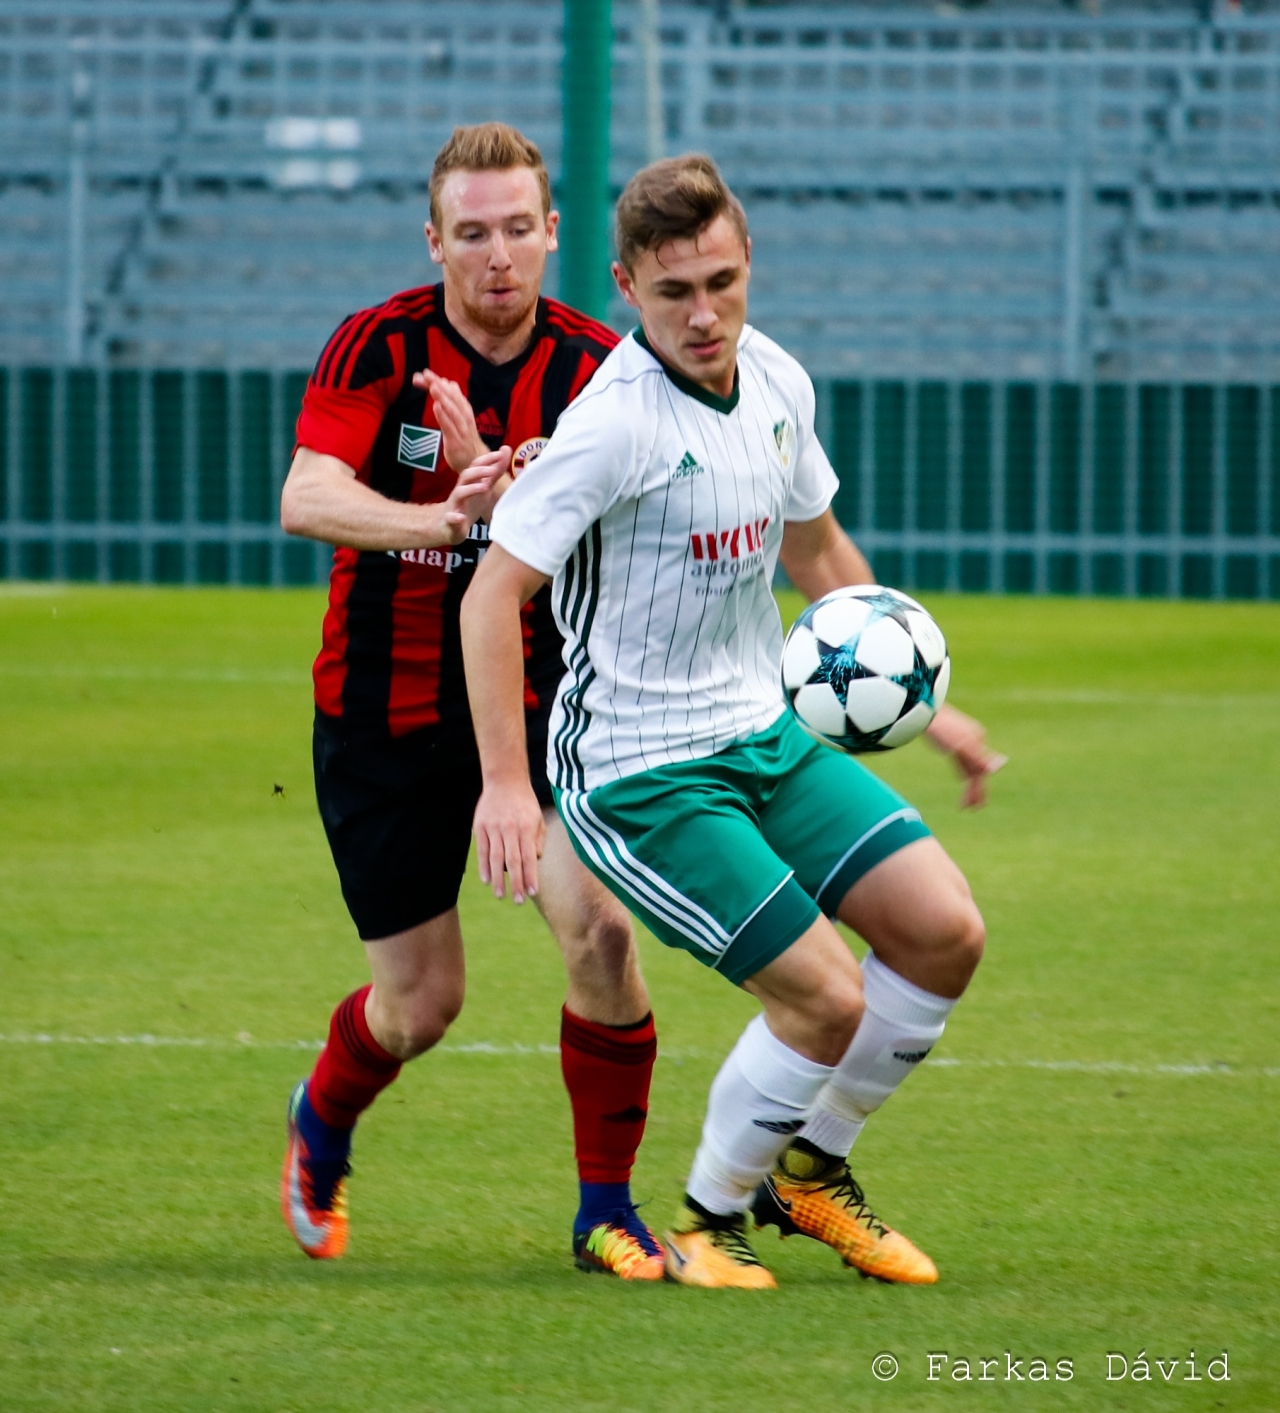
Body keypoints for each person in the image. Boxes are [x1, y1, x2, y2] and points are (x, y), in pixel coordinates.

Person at [460, 154, 1006, 1290]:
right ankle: (708, 1222)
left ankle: (809, 1174)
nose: (703, 315)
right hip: (638, 772)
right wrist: (507, 785)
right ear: (626, 287)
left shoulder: (777, 383)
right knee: (825, 996)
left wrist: (931, 706)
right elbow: (490, 595)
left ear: (748, 258)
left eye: (720, 282)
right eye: (673, 293)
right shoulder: (610, 425)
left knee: (945, 931)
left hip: (762, 734)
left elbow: (816, 550)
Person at [276, 123, 666, 1281]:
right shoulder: (378, 344)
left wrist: (531, 491)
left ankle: (605, 1213)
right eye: (472, 232)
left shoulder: (601, 370)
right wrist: (452, 517)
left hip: (541, 711)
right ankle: (322, 1113)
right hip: (382, 718)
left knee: (600, 932)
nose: (497, 254)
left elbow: (636, 528)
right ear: (434, 240)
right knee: (420, 1007)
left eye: (518, 229)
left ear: (552, 234)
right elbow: (307, 496)